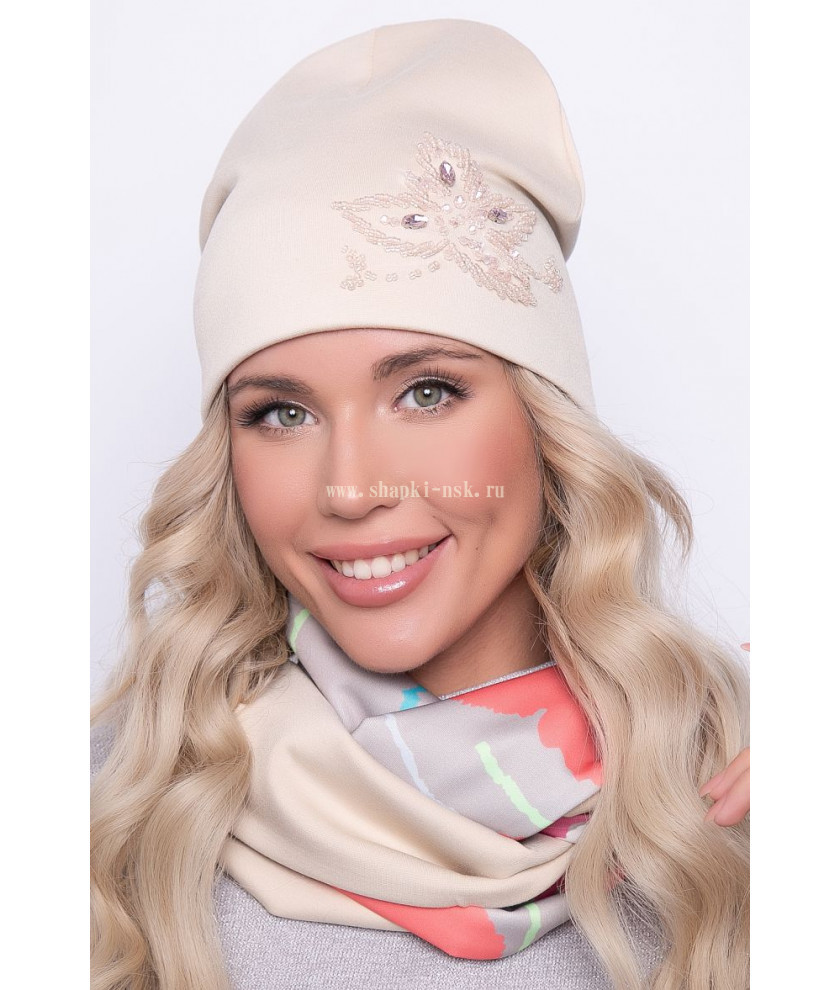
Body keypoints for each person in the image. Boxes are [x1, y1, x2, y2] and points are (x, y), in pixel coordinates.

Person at [90, 18, 749, 990]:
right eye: (280, 413)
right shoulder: (121, 802)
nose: (352, 488)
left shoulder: (739, 776)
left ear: (543, 419)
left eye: (427, 392)